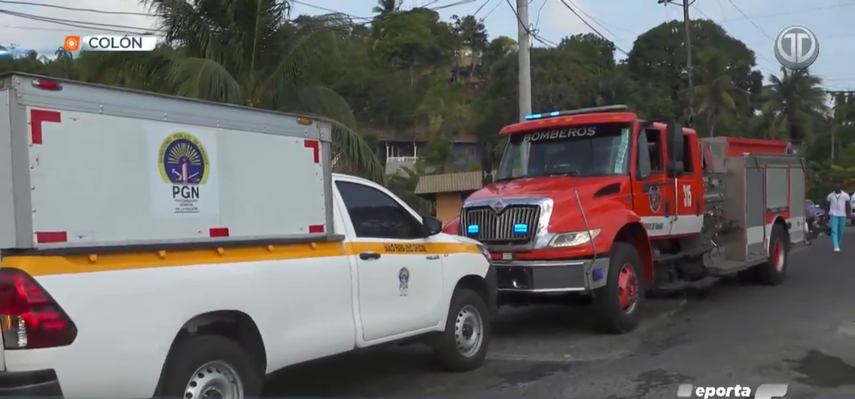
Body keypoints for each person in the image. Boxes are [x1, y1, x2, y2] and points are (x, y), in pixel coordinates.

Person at [826, 182, 851, 252]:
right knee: (834, 230)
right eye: (835, 186)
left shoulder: (845, 195)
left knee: (841, 231)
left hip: (842, 215)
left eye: (838, 186)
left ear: (841, 187)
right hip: (833, 214)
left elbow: (847, 206)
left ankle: (838, 244)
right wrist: (826, 216)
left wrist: (848, 214)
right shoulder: (830, 196)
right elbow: (827, 206)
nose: (837, 187)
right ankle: (836, 246)